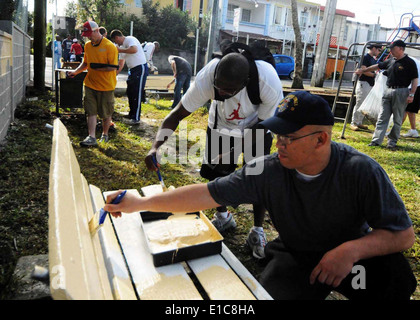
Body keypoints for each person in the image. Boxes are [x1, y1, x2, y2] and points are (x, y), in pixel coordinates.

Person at [104, 91, 417, 300]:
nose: (278, 143)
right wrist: (141, 203)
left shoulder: (360, 171)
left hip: (351, 259)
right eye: (277, 134)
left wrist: (349, 251)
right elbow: (205, 194)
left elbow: (402, 235)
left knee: (396, 281)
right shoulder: (267, 170)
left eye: (289, 137)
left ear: (321, 139)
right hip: (299, 255)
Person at [144, 51, 284, 259]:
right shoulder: (207, 79)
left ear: (244, 82)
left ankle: (257, 230)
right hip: (221, 125)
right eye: (218, 86)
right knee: (216, 174)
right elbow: (176, 115)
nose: (221, 92)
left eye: (228, 90)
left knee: (258, 176)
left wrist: (235, 148)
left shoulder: (267, 81)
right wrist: (155, 147)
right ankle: (223, 216)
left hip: (257, 126)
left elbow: (265, 126)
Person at [356, 40, 418, 149]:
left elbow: (415, 79)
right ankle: (376, 140)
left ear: (400, 48)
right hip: (387, 91)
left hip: (401, 92)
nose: (391, 51)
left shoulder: (409, 62)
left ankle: (392, 141)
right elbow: (377, 66)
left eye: (393, 49)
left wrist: (412, 94)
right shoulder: (391, 61)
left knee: (397, 119)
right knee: (382, 117)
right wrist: (364, 70)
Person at [67, 21, 119, 146]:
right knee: (91, 111)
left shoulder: (110, 46)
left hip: (106, 86)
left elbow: (113, 67)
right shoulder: (88, 46)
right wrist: (76, 72)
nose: (88, 37)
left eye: (90, 34)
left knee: (106, 113)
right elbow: (85, 63)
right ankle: (91, 137)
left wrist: (97, 68)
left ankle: (105, 134)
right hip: (90, 84)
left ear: (97, 31)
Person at [110, 29, 148, 125]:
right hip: (132, 70)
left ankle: (136, 118)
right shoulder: (121, 47)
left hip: (140, 68)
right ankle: (131, 114)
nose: (116, 43)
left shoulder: (130, 39)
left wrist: (119, 50)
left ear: (117, 37)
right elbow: (121, 63)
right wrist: (114, 75)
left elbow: (134, 49)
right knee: (130, 92)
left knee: (137, 93)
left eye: (115, 41)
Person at [350, 44, 382, 131]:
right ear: (374, 48)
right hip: (363, 83)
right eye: (378, 50)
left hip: (370, 83)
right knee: (359, 103)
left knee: (365, 104)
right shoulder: (365, 57)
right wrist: (375, 75)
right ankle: (354, 123)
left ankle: (359, 122)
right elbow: (363, 70)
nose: (379, 52)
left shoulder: (373, 59)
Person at [402, 58, 420, 138]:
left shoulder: (407, 62)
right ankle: (413, 130)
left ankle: (395, 130)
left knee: (404, 109)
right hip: (417, 86)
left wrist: (411, 93)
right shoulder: (412, 60)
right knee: (410, 110)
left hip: (415, 87)